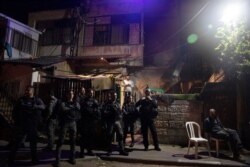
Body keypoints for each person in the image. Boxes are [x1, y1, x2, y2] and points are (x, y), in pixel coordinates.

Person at [8, 86, 45, 165]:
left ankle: (34, 159)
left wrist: (35, 106)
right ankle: (11, 159)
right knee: (17, 143)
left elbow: (43, 107)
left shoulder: (37, 100)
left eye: (28, 90)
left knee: (33, 144)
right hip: (22, 125)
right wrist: (16, 121)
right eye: (26, 90)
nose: (26, 92)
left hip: (32, 125)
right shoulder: (21, 100)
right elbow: (15, 111)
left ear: (32, 91)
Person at [54, 89, 80, 167]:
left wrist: (72, 110)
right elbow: (63, 109)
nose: (71, 95)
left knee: (73, 142)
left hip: (73, 123)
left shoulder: (76, 103)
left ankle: (72, 158)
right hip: (64, 123)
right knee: (60, 142)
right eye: (69, 93)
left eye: (72, 93)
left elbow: (78, 111)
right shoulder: (63, 103)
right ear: (67, 95)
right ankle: (57, 160)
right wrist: (72, 109)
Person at [102, 91, 128, 156]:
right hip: (110, 122)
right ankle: (109, 150)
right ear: (111, 96)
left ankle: (121, 150)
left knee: (120, 135)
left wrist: (120, 114)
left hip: (117, 121)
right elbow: (104, 112)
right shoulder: (107, 104)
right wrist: (111, 112)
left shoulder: (117, 104)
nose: (115, 97)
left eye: (116, 95)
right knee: (109, 136)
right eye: (114, 95)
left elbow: (120, 112)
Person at [79, 88, 100, 157]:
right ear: (87, 93)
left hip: (92, 122)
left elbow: (97, 110)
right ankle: (82, 152)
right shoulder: (83, 100)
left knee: (91, 136)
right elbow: (82, 110)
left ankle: (89, 150)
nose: (91, 94)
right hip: (85, 121)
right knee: (84, 137)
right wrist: (90, 111)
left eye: (92, 93)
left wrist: (96, 116)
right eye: (90, 93)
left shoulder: (95, 101)